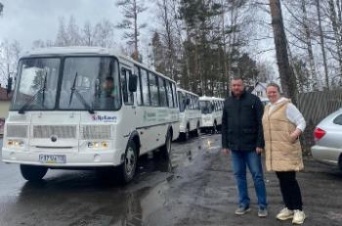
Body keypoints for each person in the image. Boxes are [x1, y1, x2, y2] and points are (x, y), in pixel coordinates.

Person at [221, 77, 268, 217]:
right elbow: (224, 125)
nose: (236, 87)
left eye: (239, 85)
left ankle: (262, 206)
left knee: (257, 176)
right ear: (231, 86)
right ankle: (244, 204)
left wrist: (260, 143)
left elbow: (262, 124)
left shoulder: (253, 100)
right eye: (234, 85)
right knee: (239, 176)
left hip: (252, 147)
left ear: (243, 86)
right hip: (235, 148)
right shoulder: (227, 102)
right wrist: (225, 144)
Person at [262, 83, 306, 225]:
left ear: (278, 92)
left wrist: (295, 134)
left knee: (290, 180)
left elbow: (301, 121)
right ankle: (289, 208)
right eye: (269, 92)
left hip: (287, 149)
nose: (271, 94)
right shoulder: (268, 108)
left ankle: (299, 210)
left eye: (273, 92)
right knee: (282, 181)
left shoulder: (287, 106)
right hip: (275, 152)